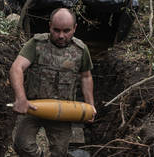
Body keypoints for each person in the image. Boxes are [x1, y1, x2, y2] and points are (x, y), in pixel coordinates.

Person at [9, 8, 96, 157]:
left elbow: (86, 77)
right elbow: (16, 67)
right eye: (56, 30)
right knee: (22, 145)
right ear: (50, 26)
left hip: (64, 112)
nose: (61, 36)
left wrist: (90, 106)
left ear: (74, 28)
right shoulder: (36, 44)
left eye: (66, 31)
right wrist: (21, 98)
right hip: (34, 106)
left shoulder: (81, 50)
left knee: (59, 152)